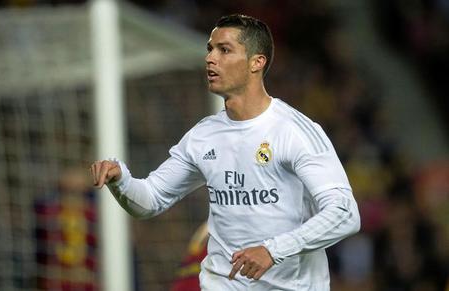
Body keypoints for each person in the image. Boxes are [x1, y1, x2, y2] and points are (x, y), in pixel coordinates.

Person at [90, 14, 361, 291]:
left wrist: (272, 250)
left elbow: (344, 213)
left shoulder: (293, 131)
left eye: (225, 50)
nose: (210, 58)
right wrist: (121, 180)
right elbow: (150, 200)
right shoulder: (203, 136)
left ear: (257, 62)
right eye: (210, 48)